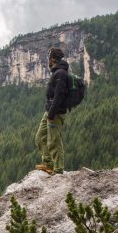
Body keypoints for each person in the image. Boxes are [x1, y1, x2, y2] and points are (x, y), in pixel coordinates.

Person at [34, 47, 69, 175]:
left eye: (49, 57)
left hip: (56, 112)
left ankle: (58, 170)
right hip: (49, 111)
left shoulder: (60, 73)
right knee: (40, 137)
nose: (48, 60)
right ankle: (48, 164)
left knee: (54, 141)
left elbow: (59, 95)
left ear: (53, 59)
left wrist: (52, 113)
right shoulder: (56, 72)